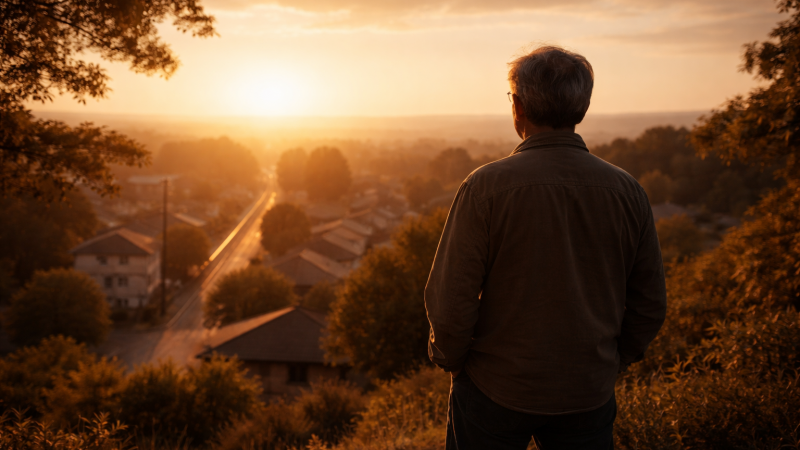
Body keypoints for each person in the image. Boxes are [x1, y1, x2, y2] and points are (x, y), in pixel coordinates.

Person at [424, 46, 667, 449]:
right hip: (587, 391)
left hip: (494, 388)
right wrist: (612, 362)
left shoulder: (485, 187)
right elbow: (649, 303)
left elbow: (450, 302)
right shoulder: (628, 192)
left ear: (517, 107)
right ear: (582, 107)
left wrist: (452, 361)